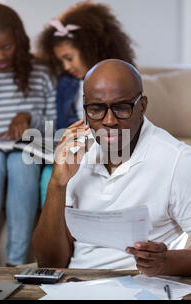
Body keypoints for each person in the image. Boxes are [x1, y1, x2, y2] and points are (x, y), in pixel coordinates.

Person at [32, 59, 191, 277]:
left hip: (144, 289)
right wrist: (57, 184)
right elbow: (50, 263)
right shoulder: (76, 154)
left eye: (122, 108)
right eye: (96, 109)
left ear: (142, 107)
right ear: (85, 108)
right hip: (77, 289)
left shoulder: (179, 161)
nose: (109, 120)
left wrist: (166, 261)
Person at [0, 4, 56, 266]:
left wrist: (28, 118)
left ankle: (15, 264)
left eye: (6, 47)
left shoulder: (42, 73)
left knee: (21, 162)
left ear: (18, 39)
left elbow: (52, 128)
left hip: (27, 149)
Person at [36, 2, 135, 207]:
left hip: (106, 150)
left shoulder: (121, 83)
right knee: (50, 176)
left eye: (69, 58)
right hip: (74, 152)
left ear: (89, 48)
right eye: (61, 61)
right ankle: (59, 235)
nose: (66, 66)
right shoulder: (67, 84)